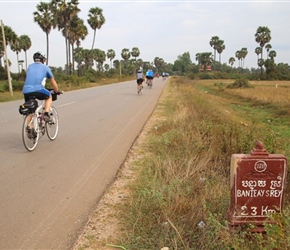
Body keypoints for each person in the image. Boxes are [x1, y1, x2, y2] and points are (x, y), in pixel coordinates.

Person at [22, 52, 60, 122]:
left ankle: (29, 128)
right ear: (42, 60)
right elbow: (53, 81)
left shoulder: (30, 67)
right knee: (49, 96)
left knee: (30, 110)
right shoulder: (45, 67)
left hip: (26, 90)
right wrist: (57, 91)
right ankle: (46, 113)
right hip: (38, 89)